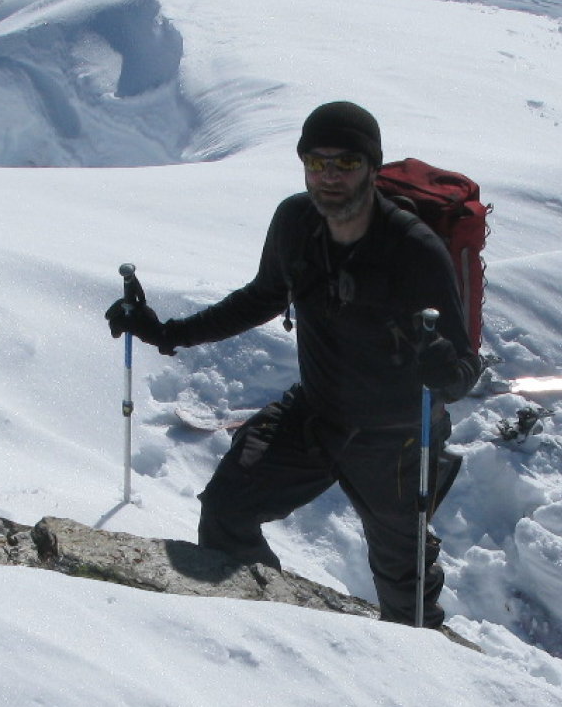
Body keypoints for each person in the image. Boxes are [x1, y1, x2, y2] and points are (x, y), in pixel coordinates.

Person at [106, 101, 480, 627]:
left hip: (394, 439)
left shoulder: (413, 250)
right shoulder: (296, 223)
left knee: (406, 592)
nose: (329, 176)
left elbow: (464, 367)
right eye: (316, 162)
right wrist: (168, 334)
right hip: (317, 413)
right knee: (227, 511)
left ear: (372, 168)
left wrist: (443, 369)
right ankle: (279, 633)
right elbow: (261, 297)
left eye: (345, 163)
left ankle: (418, 665)